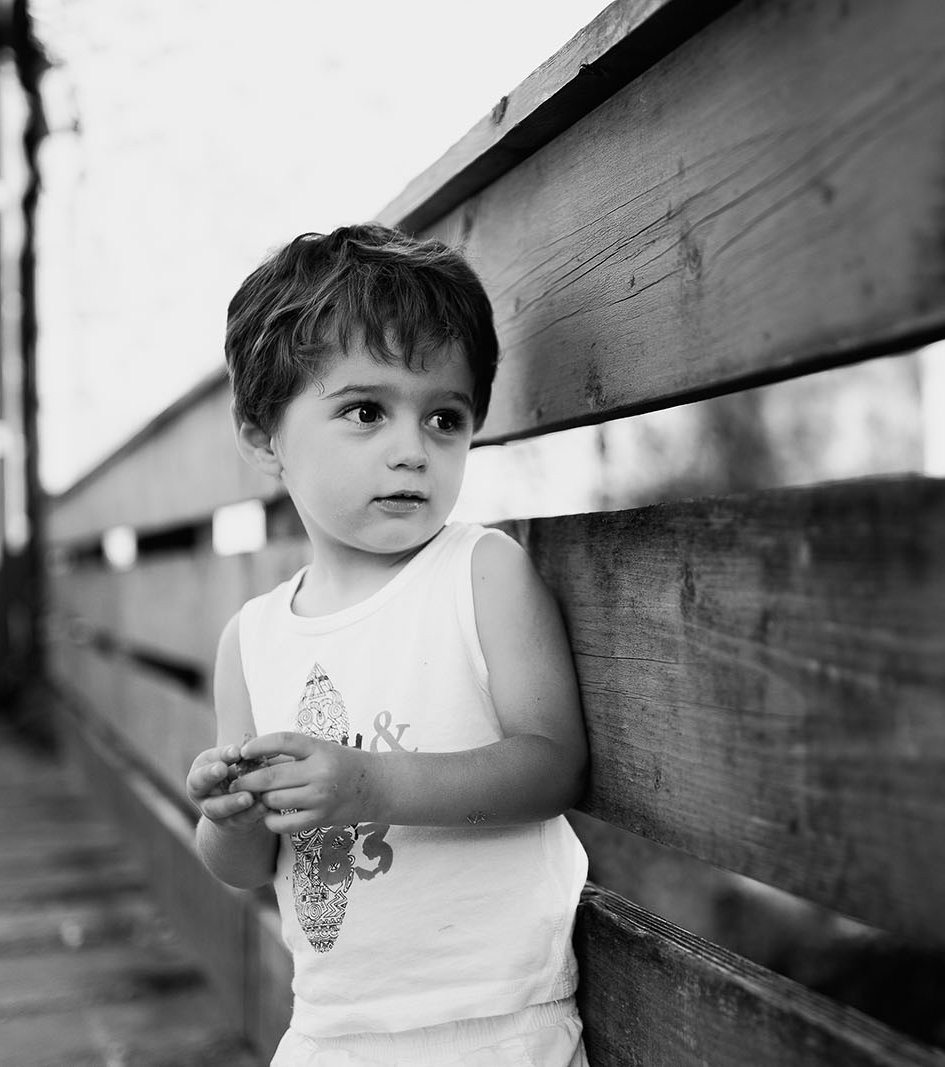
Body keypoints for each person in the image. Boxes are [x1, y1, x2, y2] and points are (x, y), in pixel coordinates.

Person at [184, 223, 591, 1066]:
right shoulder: (252, 640)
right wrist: (228, 816)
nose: (413, 449)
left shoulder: (480, 574)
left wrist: (369, 781)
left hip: (493, 1021)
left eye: (445, 417)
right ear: (264, 435)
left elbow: (554, 764)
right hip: (332, 1030)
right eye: (366, 411)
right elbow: (250, 864)